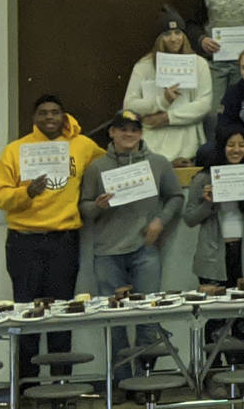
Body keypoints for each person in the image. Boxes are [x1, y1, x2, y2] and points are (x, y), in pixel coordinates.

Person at [0, 96, 105, 377]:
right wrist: (26, 192)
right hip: (24, 241)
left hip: (63, 241)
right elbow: (0, 197)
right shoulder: (15, 150)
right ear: (34, 118)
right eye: (43, 113)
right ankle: (26, 387)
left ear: (64, 116)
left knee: (61, 315)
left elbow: (109, 164)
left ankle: (61, 386)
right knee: (27, 317)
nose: (50, 117)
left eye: (56, 112)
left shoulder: (82, 146)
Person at [78, 110, 183, 377]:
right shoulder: (96, 167)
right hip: (107, 253)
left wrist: (160, 221)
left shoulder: (158, 163)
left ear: (141, 133)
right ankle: (122, 382)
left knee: (148, 318)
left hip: (145, 250)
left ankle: (146, 380)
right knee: (115, 321)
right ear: (112, 132)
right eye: (122, 129)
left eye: (134, 129)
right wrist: (98, 207)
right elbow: (85, 209)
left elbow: (175, 197)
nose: (129, 134)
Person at [184, 130, 244, 364]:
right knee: (214, 317)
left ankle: (239, 369)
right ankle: (213, 371)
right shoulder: (204, 178)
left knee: (242, 316)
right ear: (221, 147)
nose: (236, 150)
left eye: (241, 145)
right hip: (213, 257)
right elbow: (189, 218)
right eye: (231, 144)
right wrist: (207, 203)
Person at [125, 11, 216, 165]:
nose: (174, 39)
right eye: (167, 34)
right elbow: (129, 105)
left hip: (189, 142)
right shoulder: (143, 66)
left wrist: (168, 118)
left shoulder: (199, 64)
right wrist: (162, 101)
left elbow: (204, 104)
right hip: (152, 145)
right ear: (159, 38)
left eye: (178, 32)